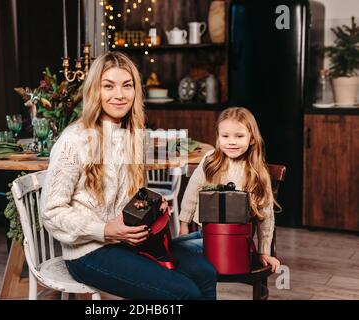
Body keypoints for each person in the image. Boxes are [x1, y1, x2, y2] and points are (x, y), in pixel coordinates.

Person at [40, 51, 217, 300]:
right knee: (184, 293)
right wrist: (104, 230)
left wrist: (153, 204)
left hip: (127, 242)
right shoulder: (74, 140)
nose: (120, 95)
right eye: (109, 86)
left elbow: (128, 198)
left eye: (127, 85)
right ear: (95, 91)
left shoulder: (131, 136)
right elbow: (51, 212)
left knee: (204, 272)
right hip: (88, 251)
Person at [178, 107, 281, 272]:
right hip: (206, 235)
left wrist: (264, 252)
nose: (231, 141)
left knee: (177, 253)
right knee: (173, 247)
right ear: (218, 137)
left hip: (237, 243)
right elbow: (191, 193)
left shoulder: (257, 172)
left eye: (239, 136)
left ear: (252, 139)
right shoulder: (210, 160)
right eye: (225, 136)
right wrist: (184, 226)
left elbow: (266, 217)